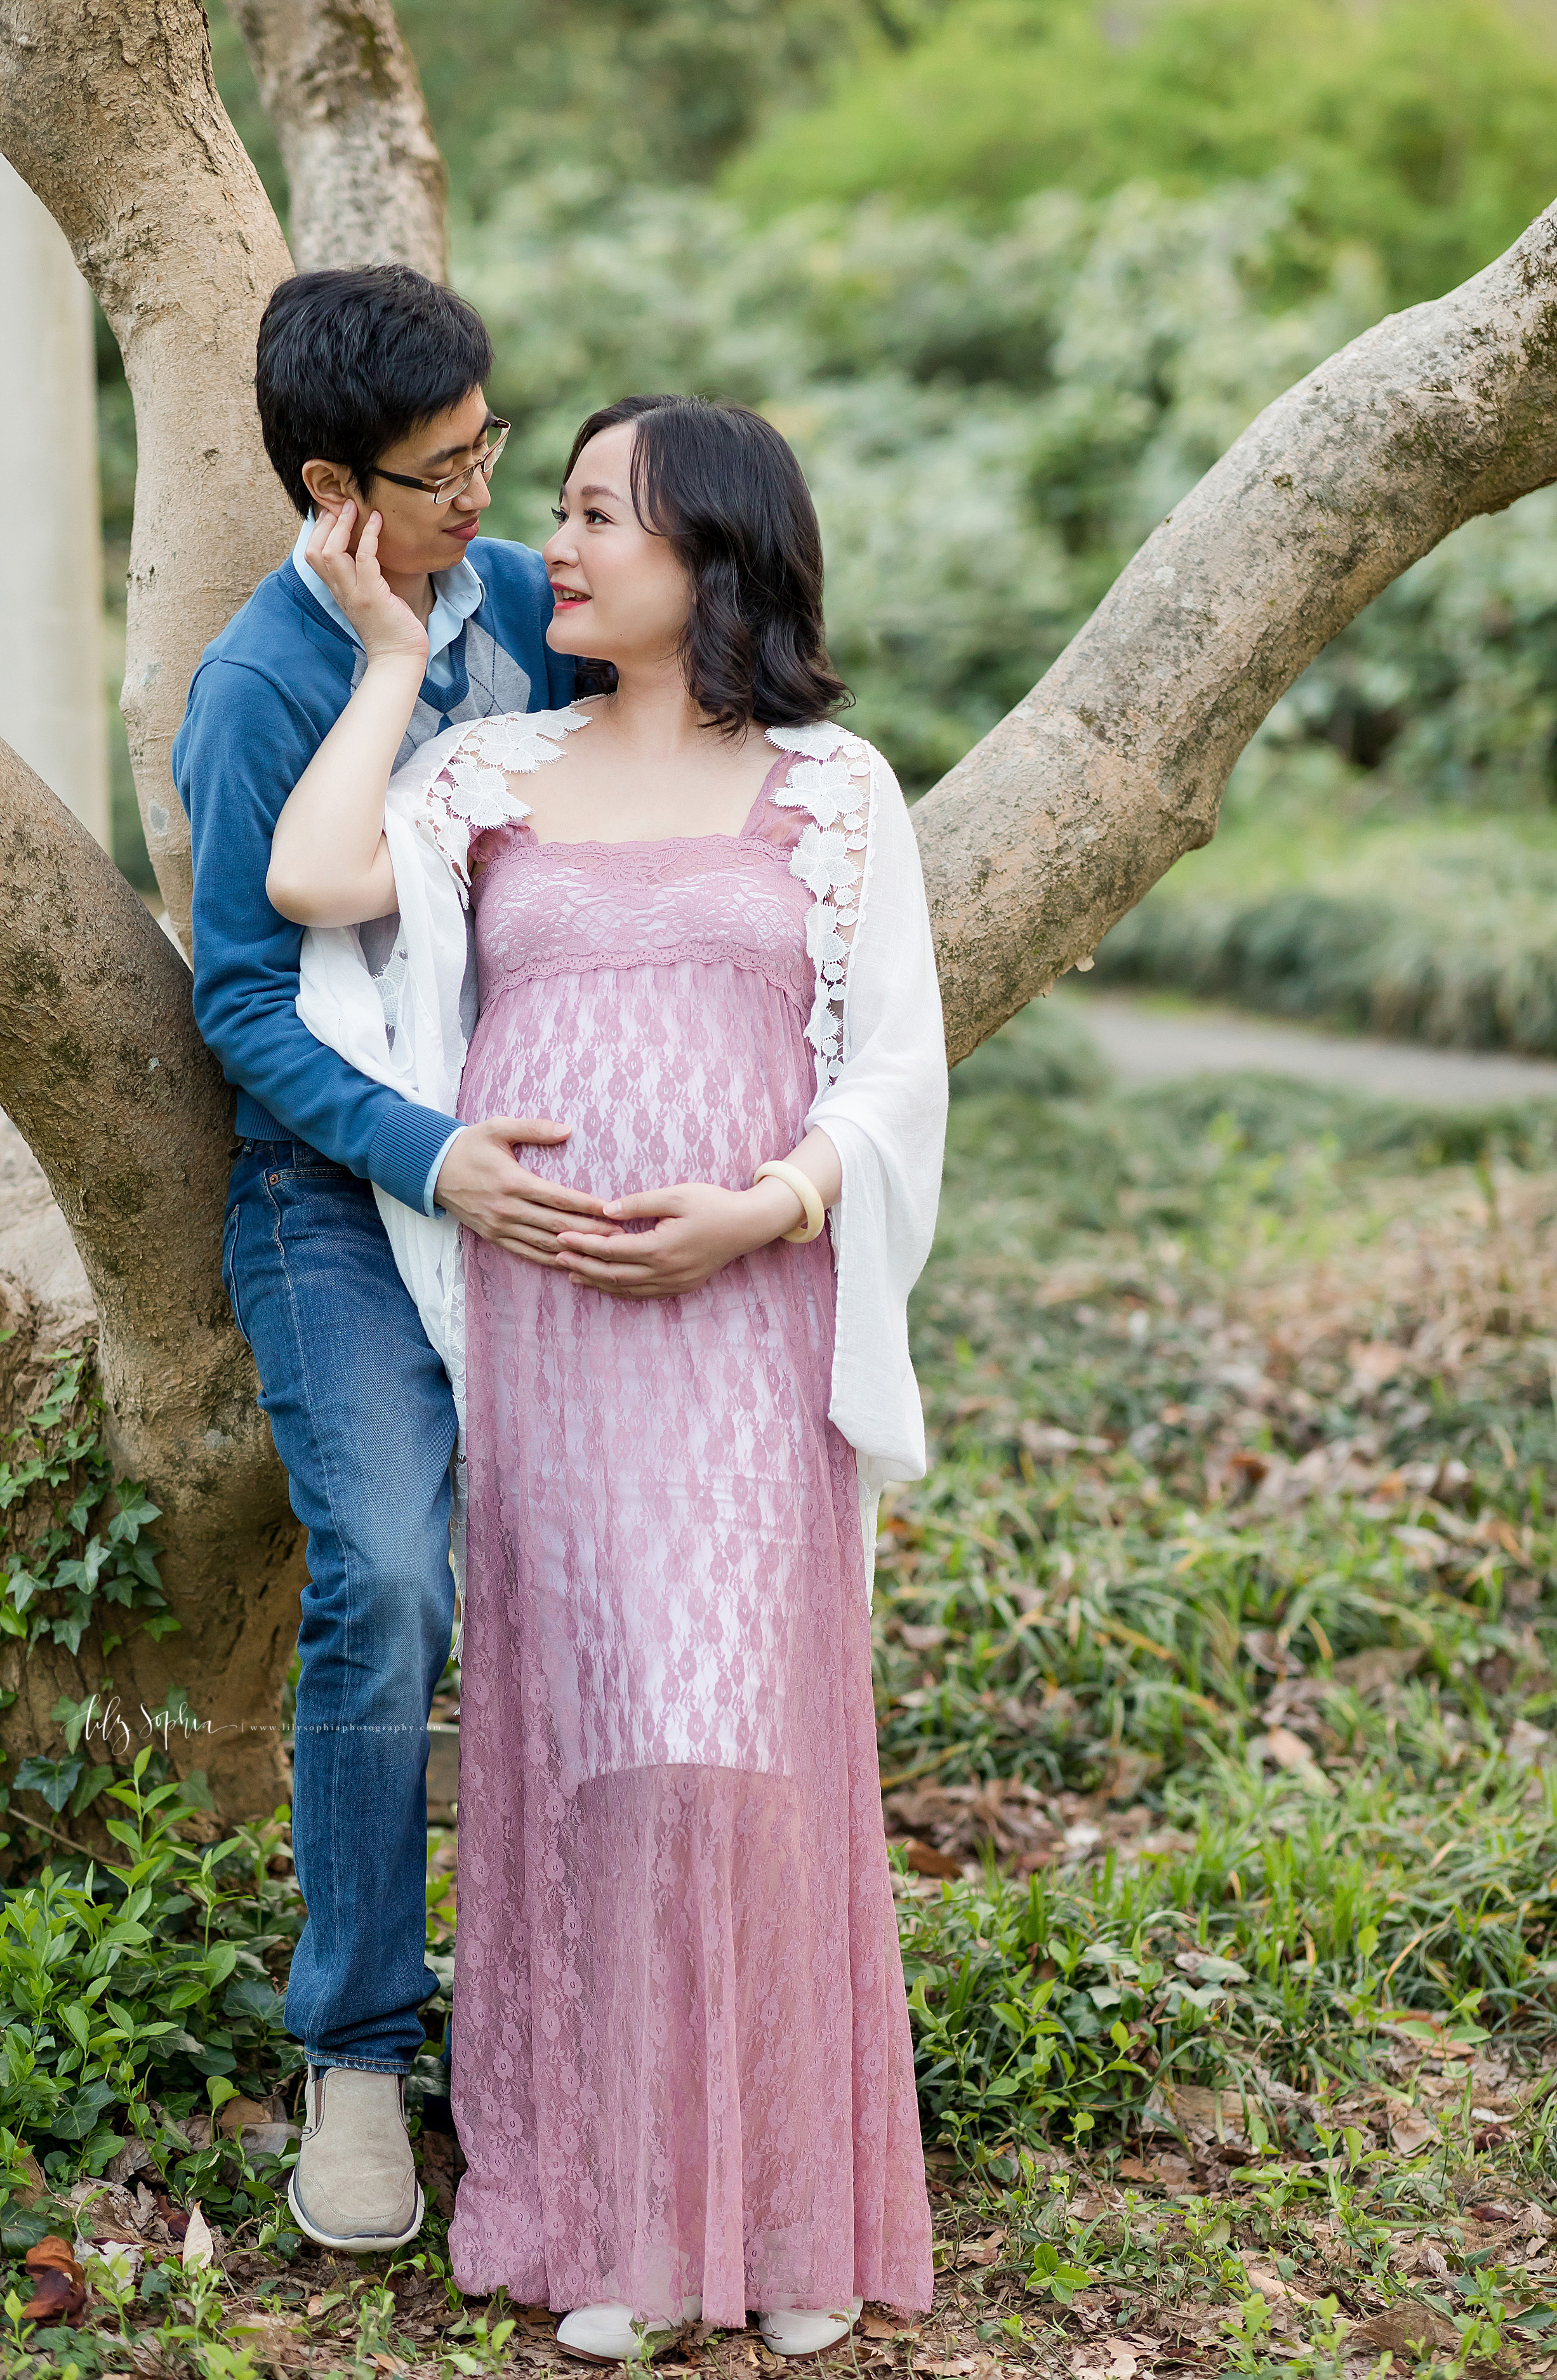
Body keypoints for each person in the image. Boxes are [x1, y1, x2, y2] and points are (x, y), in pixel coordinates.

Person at [268, 393, 946, 2353]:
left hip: (751, 1311)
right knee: (578, 1742)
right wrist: (395, 661)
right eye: (554, 512)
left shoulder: (834, 789)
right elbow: (316, 881)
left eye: (590, 517)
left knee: (740, 1741)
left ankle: (780, 2212)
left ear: (709, 553)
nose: (547, 550)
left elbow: (899, 1064)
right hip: (551, 1325)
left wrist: (773, 1207)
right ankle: (623, 2227)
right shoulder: (488, 772)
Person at [172, 265, 606, 2255]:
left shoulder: (524, 602)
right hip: (337, 1200)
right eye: (443, 475)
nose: (483, 499)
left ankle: (570, 2021)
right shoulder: (258, 687)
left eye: (492, 446)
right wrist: (435, 1162)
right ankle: (354, 2051)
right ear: (334, 490)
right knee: (395, 1572)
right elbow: (246, 1010)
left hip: (545, 1161)